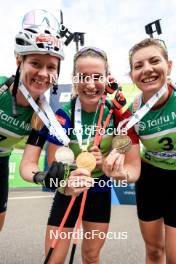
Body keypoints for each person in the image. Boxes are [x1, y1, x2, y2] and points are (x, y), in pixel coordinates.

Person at [20, 46, 140, 264]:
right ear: (75, 79)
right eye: (83, 77)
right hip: (68, 191)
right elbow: (54, 166)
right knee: (53, 259)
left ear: (106, 78)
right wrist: (69, 176)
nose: (91, 84)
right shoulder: (62, 115)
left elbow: (132, 168)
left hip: (100, 189)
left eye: (97, 77)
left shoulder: (117, 115)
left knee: (91, 256)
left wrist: (114, 170)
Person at [103, 38, 176, 264]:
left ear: (169, 66)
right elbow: (133, 169)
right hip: (151, 176)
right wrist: (121, 174)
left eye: (154, 61)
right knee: (154, 251)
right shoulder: (132, 112)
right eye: (138, 66)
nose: (147, 70)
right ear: (132, 75)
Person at [0, 9, 65, 231]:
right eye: (36, 63)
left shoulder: (43, 115)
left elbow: (27, 164)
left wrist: (42, 176)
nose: (43, 74)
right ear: (19, 61)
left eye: (51, 67)